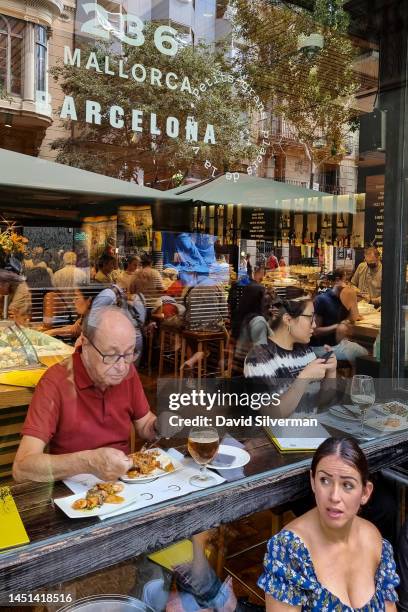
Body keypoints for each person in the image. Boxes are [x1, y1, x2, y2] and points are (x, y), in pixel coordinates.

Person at [12, 307, 159, 483]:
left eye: (129, 354)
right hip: (74, 493)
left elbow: (145, 425)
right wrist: (89, 462)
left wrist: (161, 424)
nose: (122, 367)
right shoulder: (56, 382)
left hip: (126, 484)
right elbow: (22, 467)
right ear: (85, 345)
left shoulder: (127, 372)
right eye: (111, 355)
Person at [258, 437, 399, 611]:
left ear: (365, 492)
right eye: (325, 480)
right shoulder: (289, 549)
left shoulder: (375, 541)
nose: (334, 496)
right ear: (313, 481)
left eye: (347, 485)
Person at [244, 297, 336, 416]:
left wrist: (331, 371)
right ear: (288, 319)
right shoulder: (258, 359)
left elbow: (323, 402)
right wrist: (304, 378)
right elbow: (271, 415)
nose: (314, 325)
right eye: (310, 317)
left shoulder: (305, 352)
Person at [311, 269, 368, 364]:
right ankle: (352, 377)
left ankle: (350, 376)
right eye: (346, 281)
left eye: (348, 283)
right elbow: (315, 331)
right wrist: (336, 326)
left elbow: (353, 318)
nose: (348, 285)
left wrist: (353, 297)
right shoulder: (322, 300)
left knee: (362, 352)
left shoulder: (344, 298)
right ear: (337, 280)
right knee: (363, 355)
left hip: (336, 344)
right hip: (320, 347)